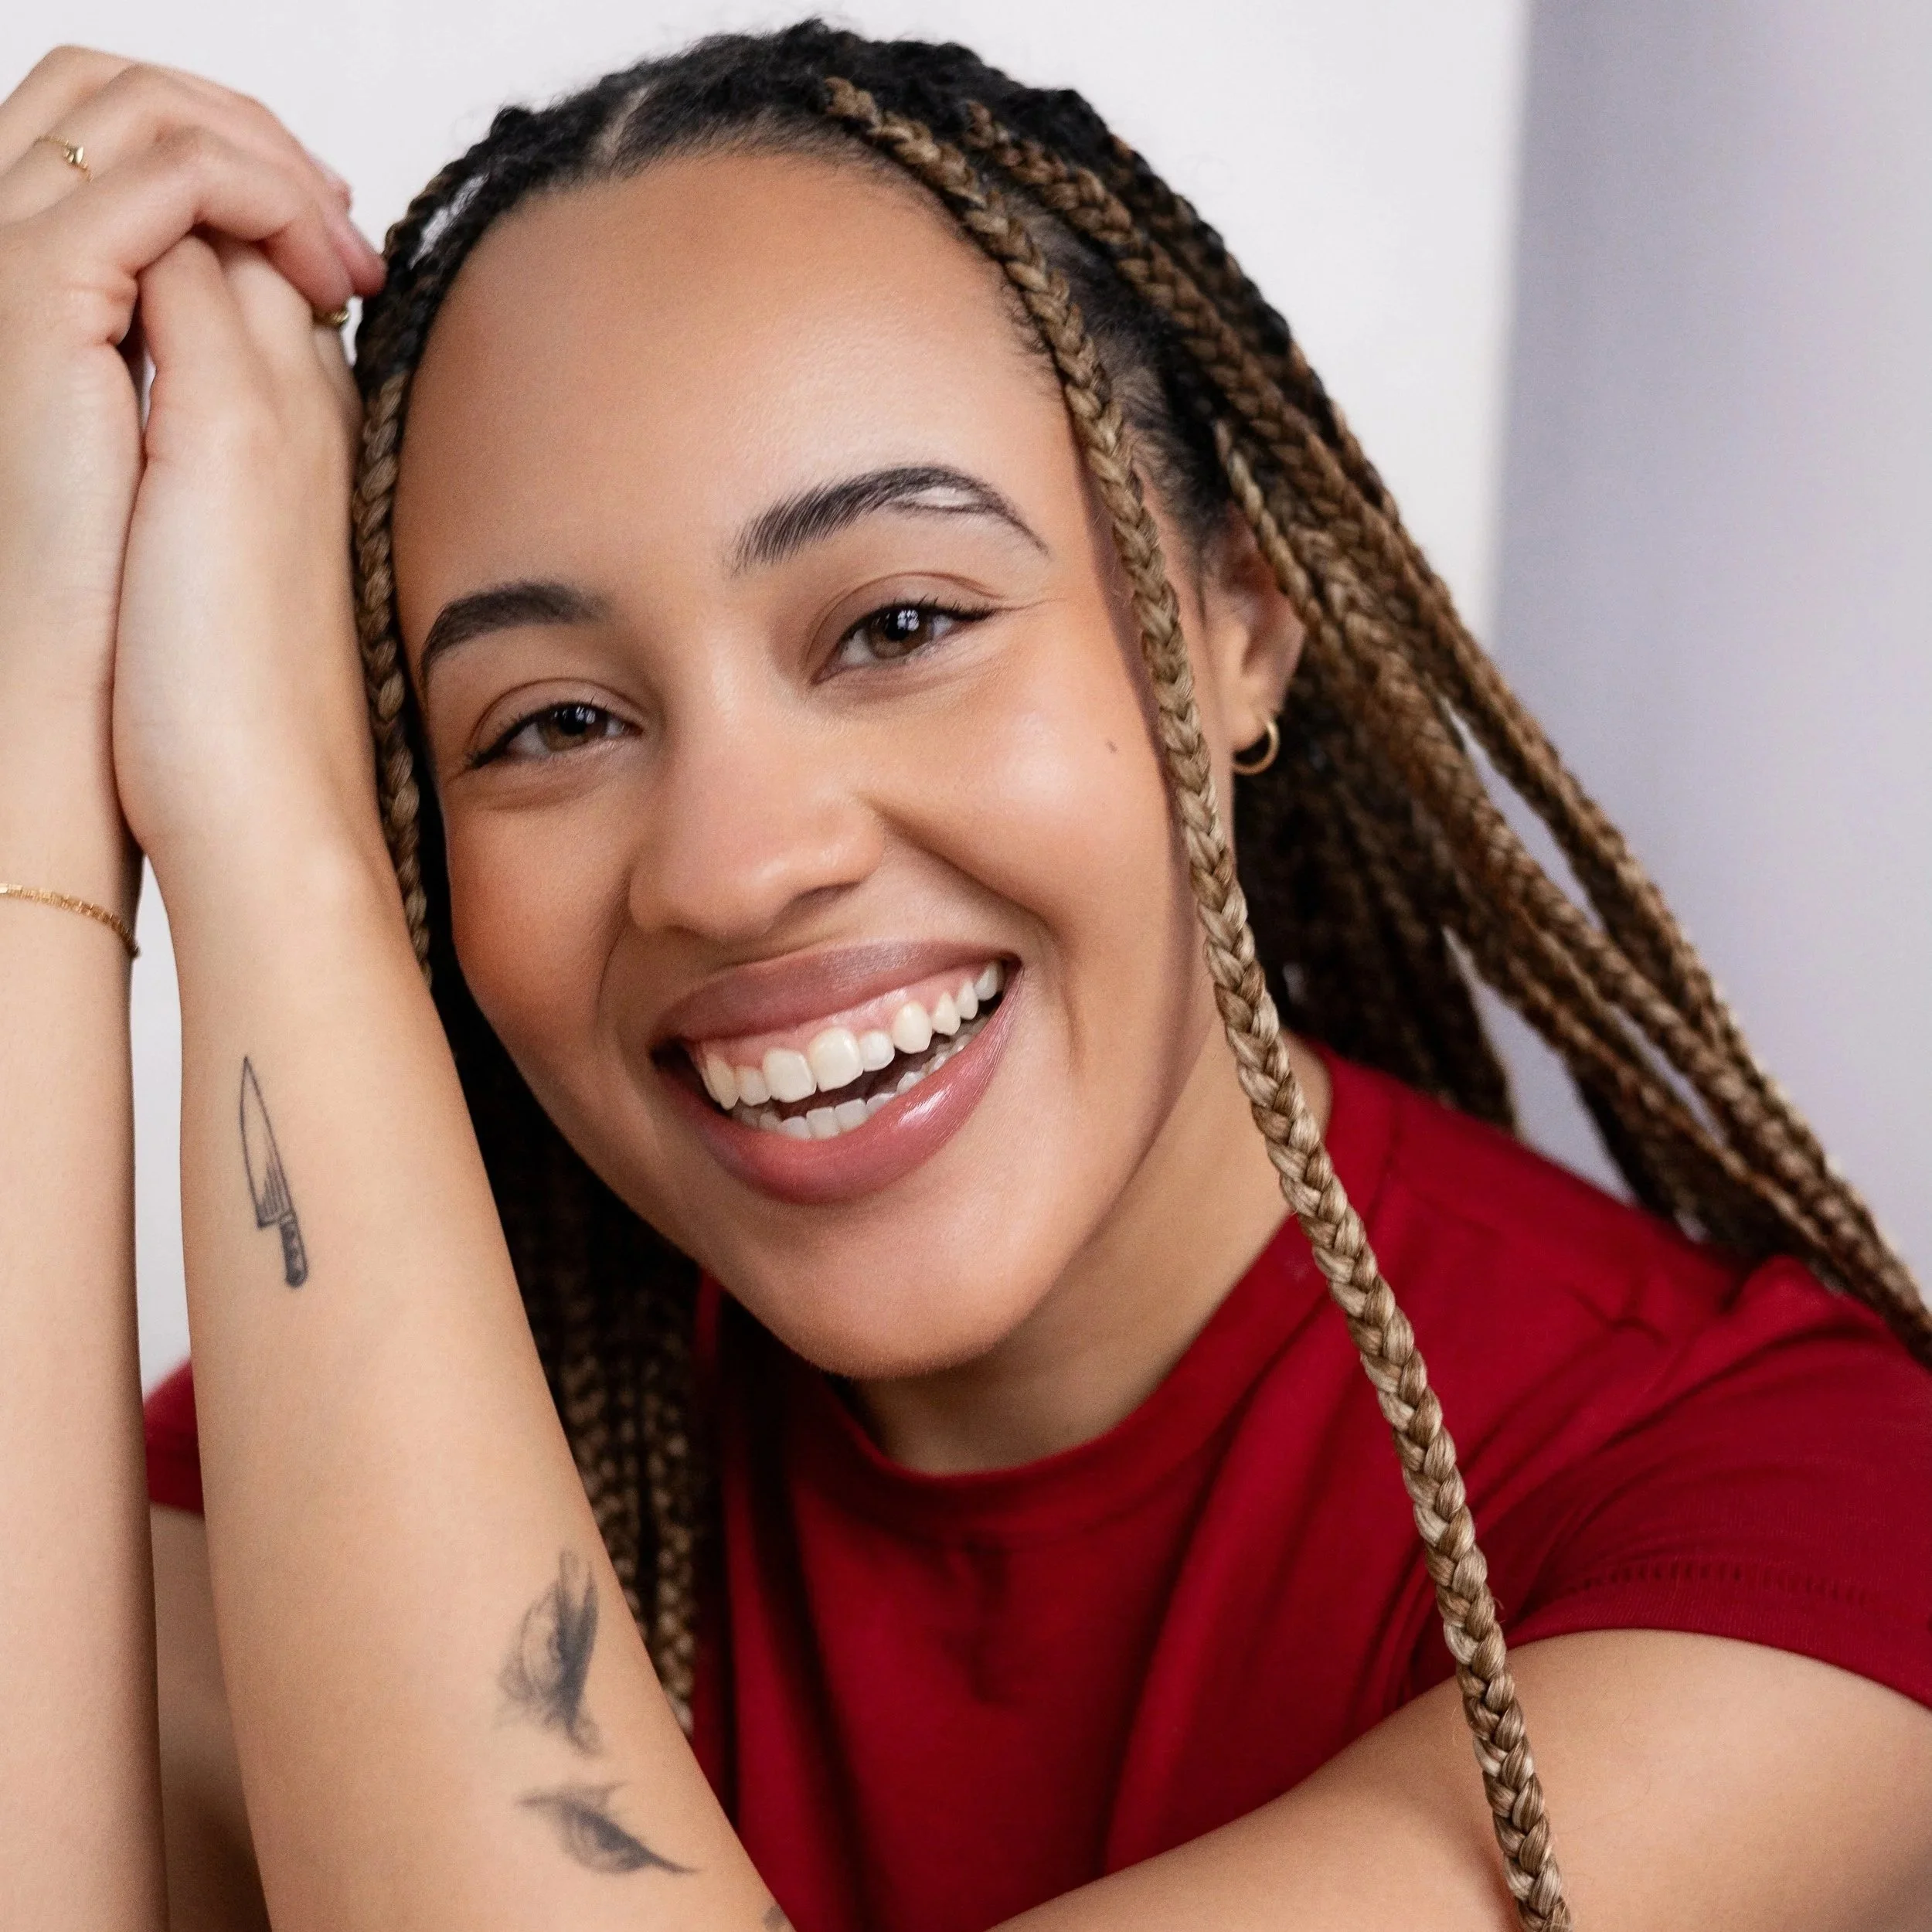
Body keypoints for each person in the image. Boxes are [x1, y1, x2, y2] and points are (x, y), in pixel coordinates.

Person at [2, 21, 1929, 1931]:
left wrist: (271, 836)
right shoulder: (379, 1437)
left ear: (1240, 625)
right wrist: (40, 727)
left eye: (899, 622)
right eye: (551, 720)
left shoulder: (1813, 1537)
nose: (734, 863)